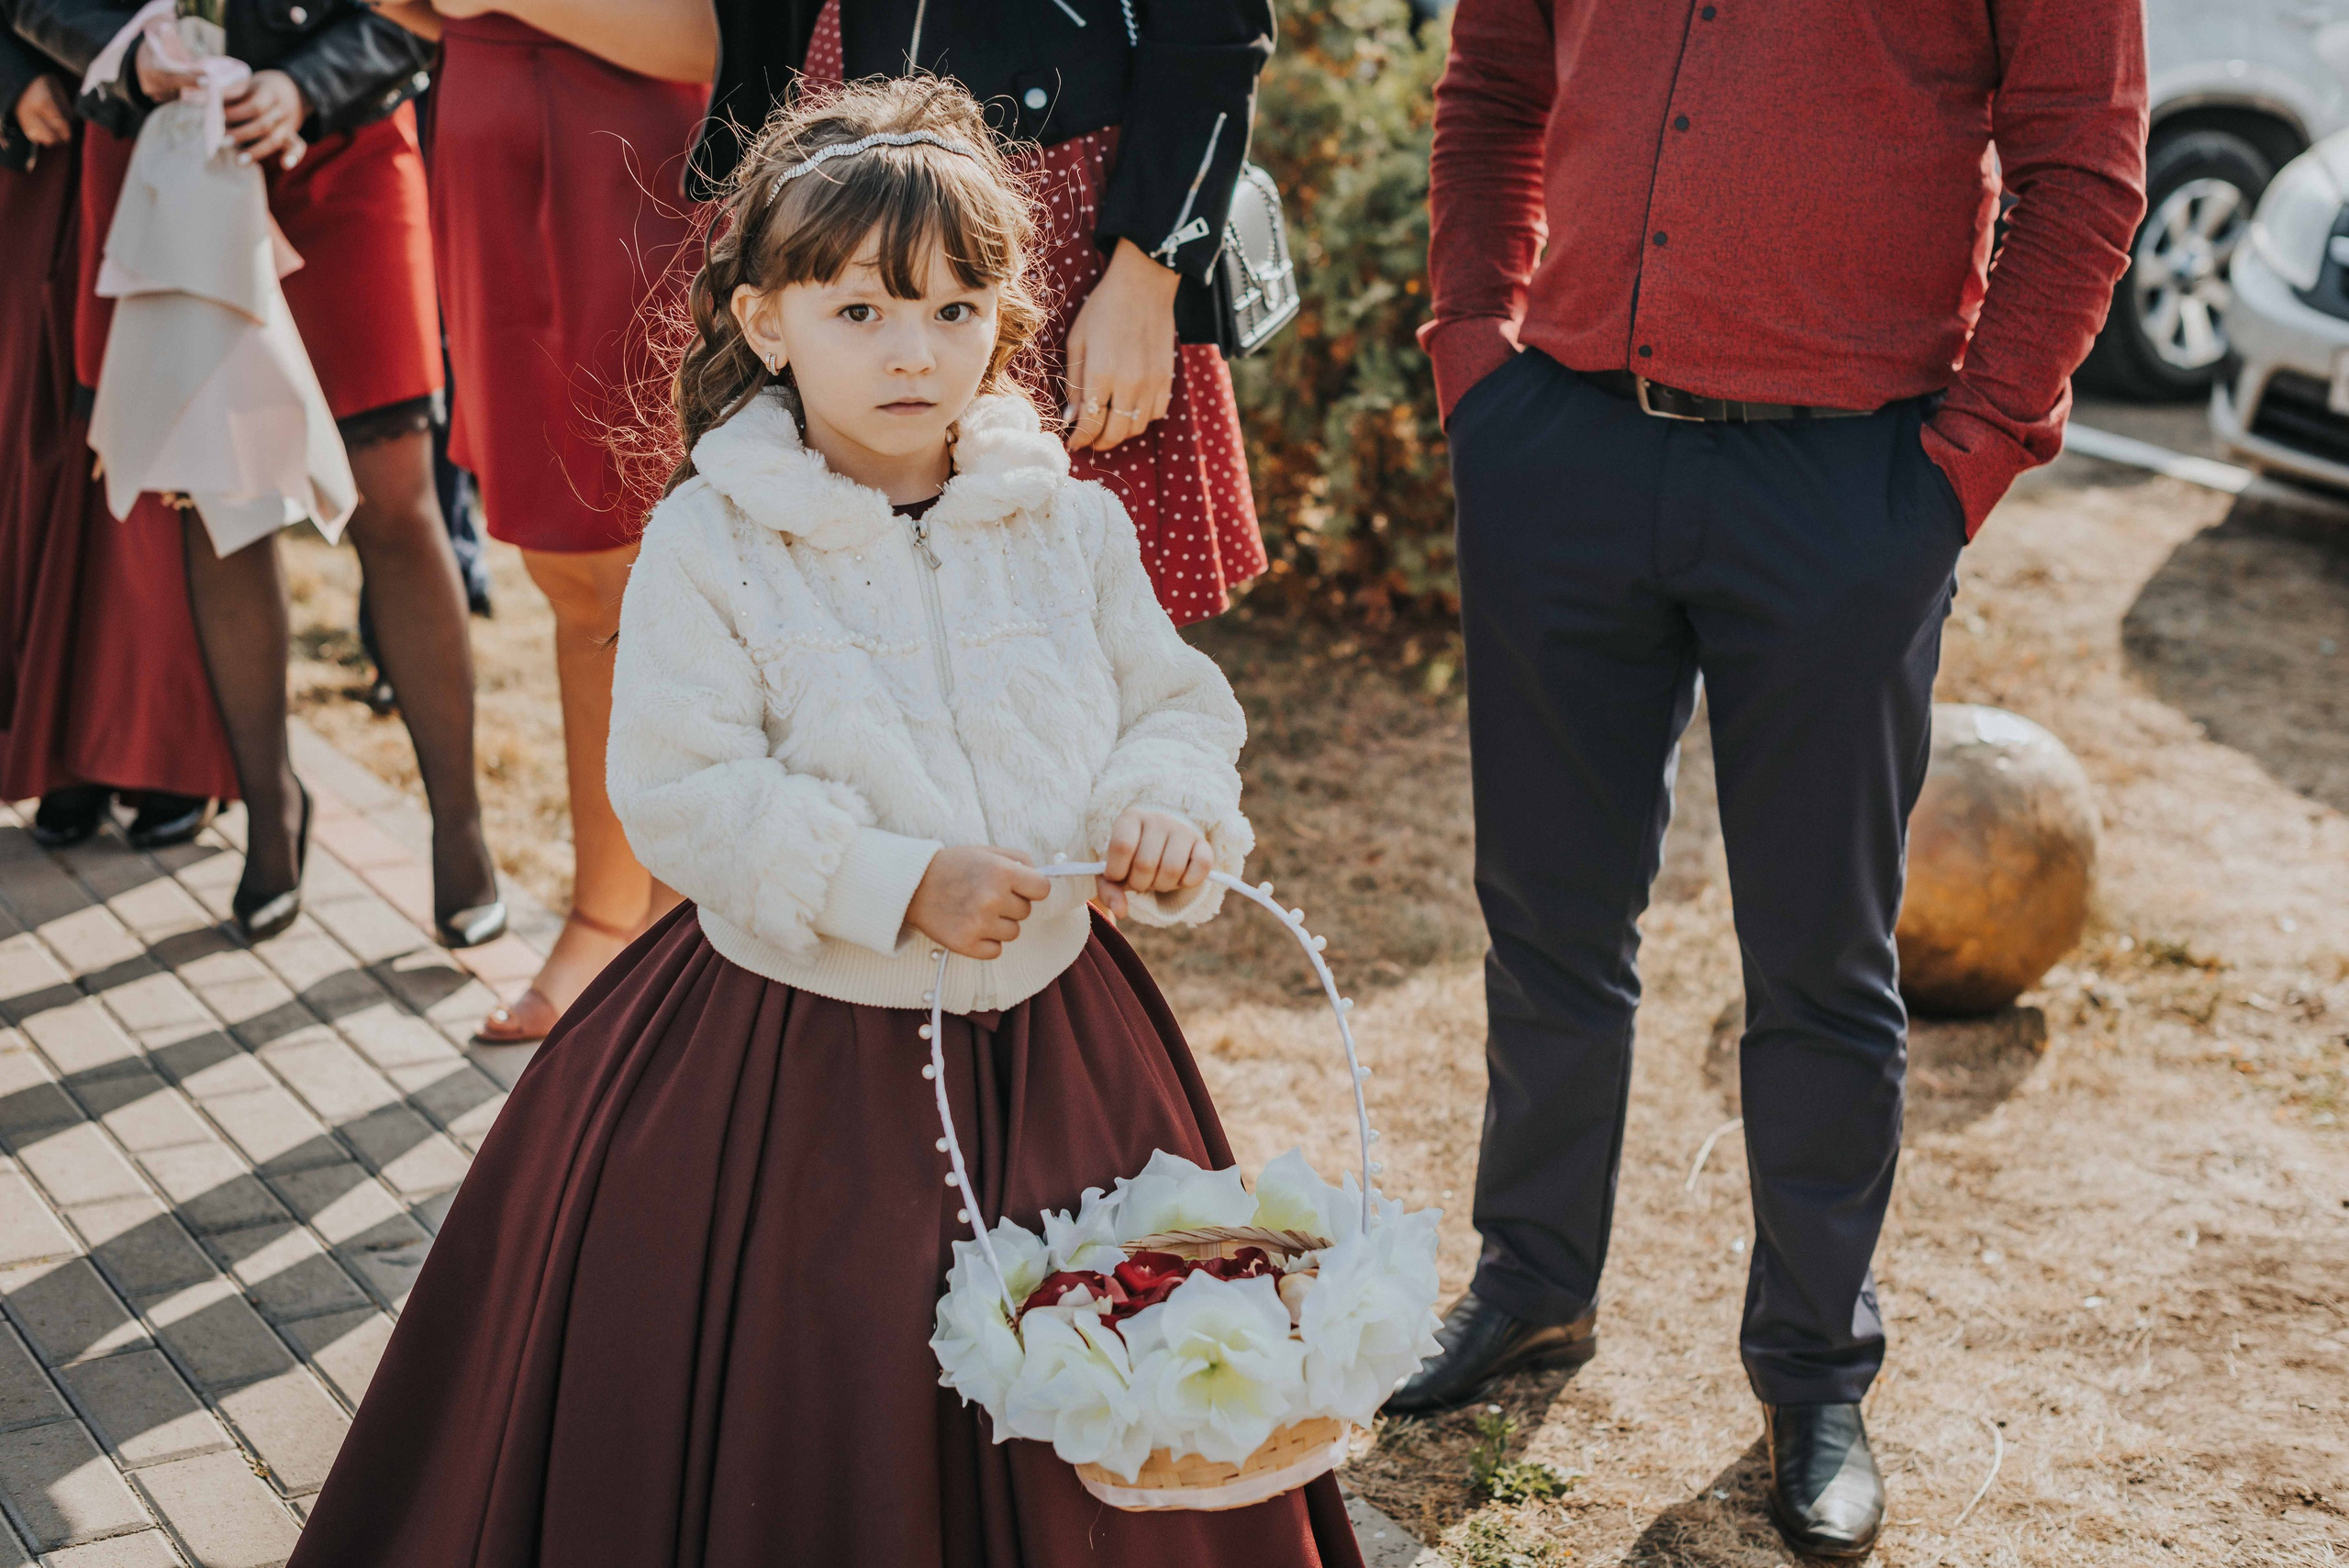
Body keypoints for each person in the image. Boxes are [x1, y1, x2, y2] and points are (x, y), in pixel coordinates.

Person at [284, 79, 1364, 1567]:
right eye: (858, 312)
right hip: (800, 1062)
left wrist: (1165, 808)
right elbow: (679, 784)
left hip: (1057, 1047)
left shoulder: (1067, 525)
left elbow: (1173, 709)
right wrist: (895, 878)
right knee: (832, 1382)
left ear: (1004, 317)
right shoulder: (718, 537)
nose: (910, 351)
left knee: (1092, 1375)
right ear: (766, 317)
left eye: (947, 308)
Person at [1384, 1, 2148, 1560]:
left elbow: (2084, 171)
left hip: (1849, 483)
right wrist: (1477, 344)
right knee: (1547, 911)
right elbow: (1495, 87)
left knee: (1822, 955)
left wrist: (1970, 454)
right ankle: (1533, 1279)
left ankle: (1812, 1371)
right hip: (1566, 453)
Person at [17, 0, 505, 946]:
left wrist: (300, 84)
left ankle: (460, 825)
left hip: (342, 150)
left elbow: (424, 9)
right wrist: (125, 55)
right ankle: (270, 808)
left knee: (394, 502)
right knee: (221, 505)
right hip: (164, 155)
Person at [700, 0, 1275, 628]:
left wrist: (1146, 269)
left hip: (1062, 203)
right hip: (824, 177)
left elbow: (1216, 22)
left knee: (1088, 632)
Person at [422, 0, 712, 1042]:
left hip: (644, 168)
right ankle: (606, 905)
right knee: (566, 569)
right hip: (484, 160)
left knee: (664, 564)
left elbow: (718, 38)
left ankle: (683, 918)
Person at [0, 0, 231, 851]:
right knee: (47, 451)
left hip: (182, 132)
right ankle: (67, 750)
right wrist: (12, 76)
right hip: (44, 142)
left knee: (167, 447)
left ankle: (170, 749)